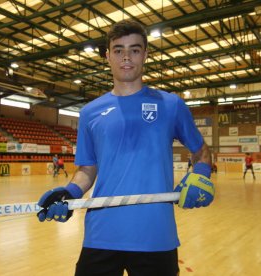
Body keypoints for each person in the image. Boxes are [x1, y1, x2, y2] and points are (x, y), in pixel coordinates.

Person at [37, 19, 214, 276]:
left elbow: (202, 152)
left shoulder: (171, 105)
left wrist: (200, 175)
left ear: (145, 54)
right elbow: (87, 169)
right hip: (101, 235)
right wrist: (70, 192)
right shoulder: (90, 112)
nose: (126, 57)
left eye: (134, 49)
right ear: (108, 56)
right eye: (118, 50)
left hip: (156, 236)